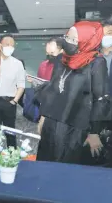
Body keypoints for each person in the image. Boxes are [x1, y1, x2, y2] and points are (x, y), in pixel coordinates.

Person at [35, 21, 110, 165]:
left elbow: (100, 99)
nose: (68, 42)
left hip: (74, 126)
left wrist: (94, 132)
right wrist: (43, 116)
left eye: (73, 39)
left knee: (65, 166)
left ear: (86, 41)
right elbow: (53, 91)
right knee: (45, 161)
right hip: (52, 121)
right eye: (67, 37)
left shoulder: (96, 63)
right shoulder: (61, 59)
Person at [0, 34, 25, 148]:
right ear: (0, 46)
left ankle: (11, 153)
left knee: (10, 131)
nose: (10, 47)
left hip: (9, 102)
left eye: (12, 45)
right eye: (7, 44)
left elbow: (21, 85)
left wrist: (15, 101)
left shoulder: (17, 63)